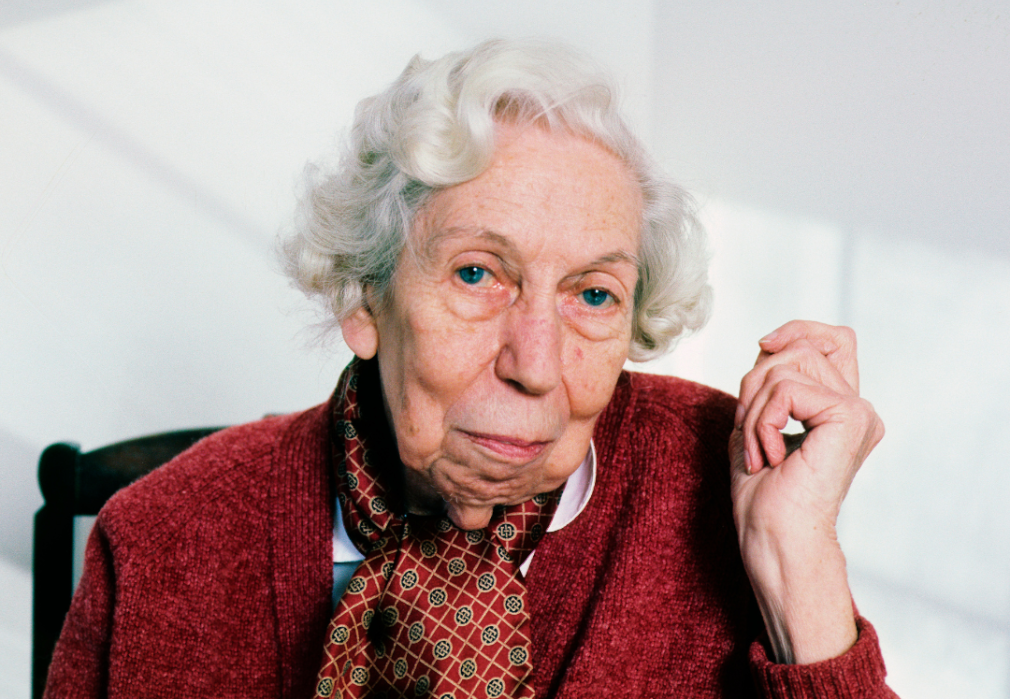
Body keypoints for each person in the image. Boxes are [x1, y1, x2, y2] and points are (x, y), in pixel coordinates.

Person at [45, 39, 896, 698]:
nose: (536, 365)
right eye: (477, 274)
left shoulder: (726, 480)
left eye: (593, 295)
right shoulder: (161, 540)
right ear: (363, 296)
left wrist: (796, 568)